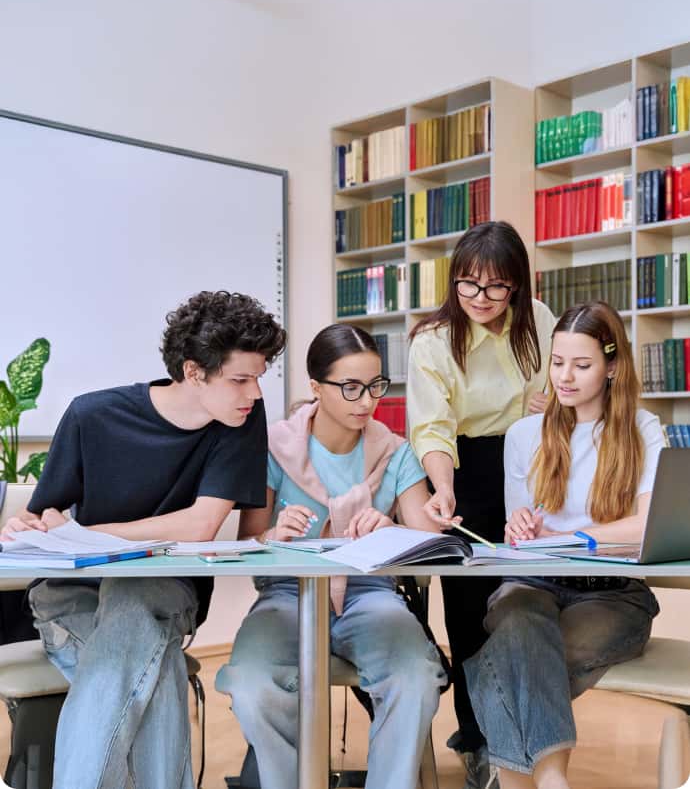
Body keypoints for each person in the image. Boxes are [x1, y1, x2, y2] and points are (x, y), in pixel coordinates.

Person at [1, 290, 286, 789]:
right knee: (160, 671)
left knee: (135, 603)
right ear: (195, 370)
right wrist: (26, 527)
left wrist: (83, 532)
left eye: (258, 378)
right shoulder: (92, 416)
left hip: (163, 592)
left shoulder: (240, 423)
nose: (254, 395)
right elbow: (36, 519)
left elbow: (200, 525)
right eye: (240, 379)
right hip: (73, 601)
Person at [216, 323, 448, 789]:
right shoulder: (274, 448)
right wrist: (277, 534)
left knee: (416, 678)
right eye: (351, 387)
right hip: (288, 593)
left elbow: (430, 543)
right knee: (250, 684)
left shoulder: (394, 451)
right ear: (316, 387)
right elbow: (253, 539)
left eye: (375, 386)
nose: (367, 401)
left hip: (370, 595)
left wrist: (391, 528)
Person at [464, 301, 664, 789]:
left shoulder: (643, 429)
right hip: (532, 584)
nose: (564, 378)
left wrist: (572, 536)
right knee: (521, 622)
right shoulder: (524, 434)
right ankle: (553, 782)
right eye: (557, 363)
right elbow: (520, 522)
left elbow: (644, 524)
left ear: (612, 366)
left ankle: (511, 778)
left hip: (613, 593)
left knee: (513, 656)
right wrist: (522, 528)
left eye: (582, 364)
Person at [407, 220, 556, 787]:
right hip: (461, 470)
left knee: (524, 598)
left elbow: (556, 393)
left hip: (527, 463)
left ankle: (525, 735)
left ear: (517, 284)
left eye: (496, 288)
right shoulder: (434, 340)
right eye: (468, 285)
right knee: (468, 611)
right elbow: (433, 429)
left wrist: (548, 407)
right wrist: (442, 488)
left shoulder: (538, 320)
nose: (481, 299)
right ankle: (477, 739)